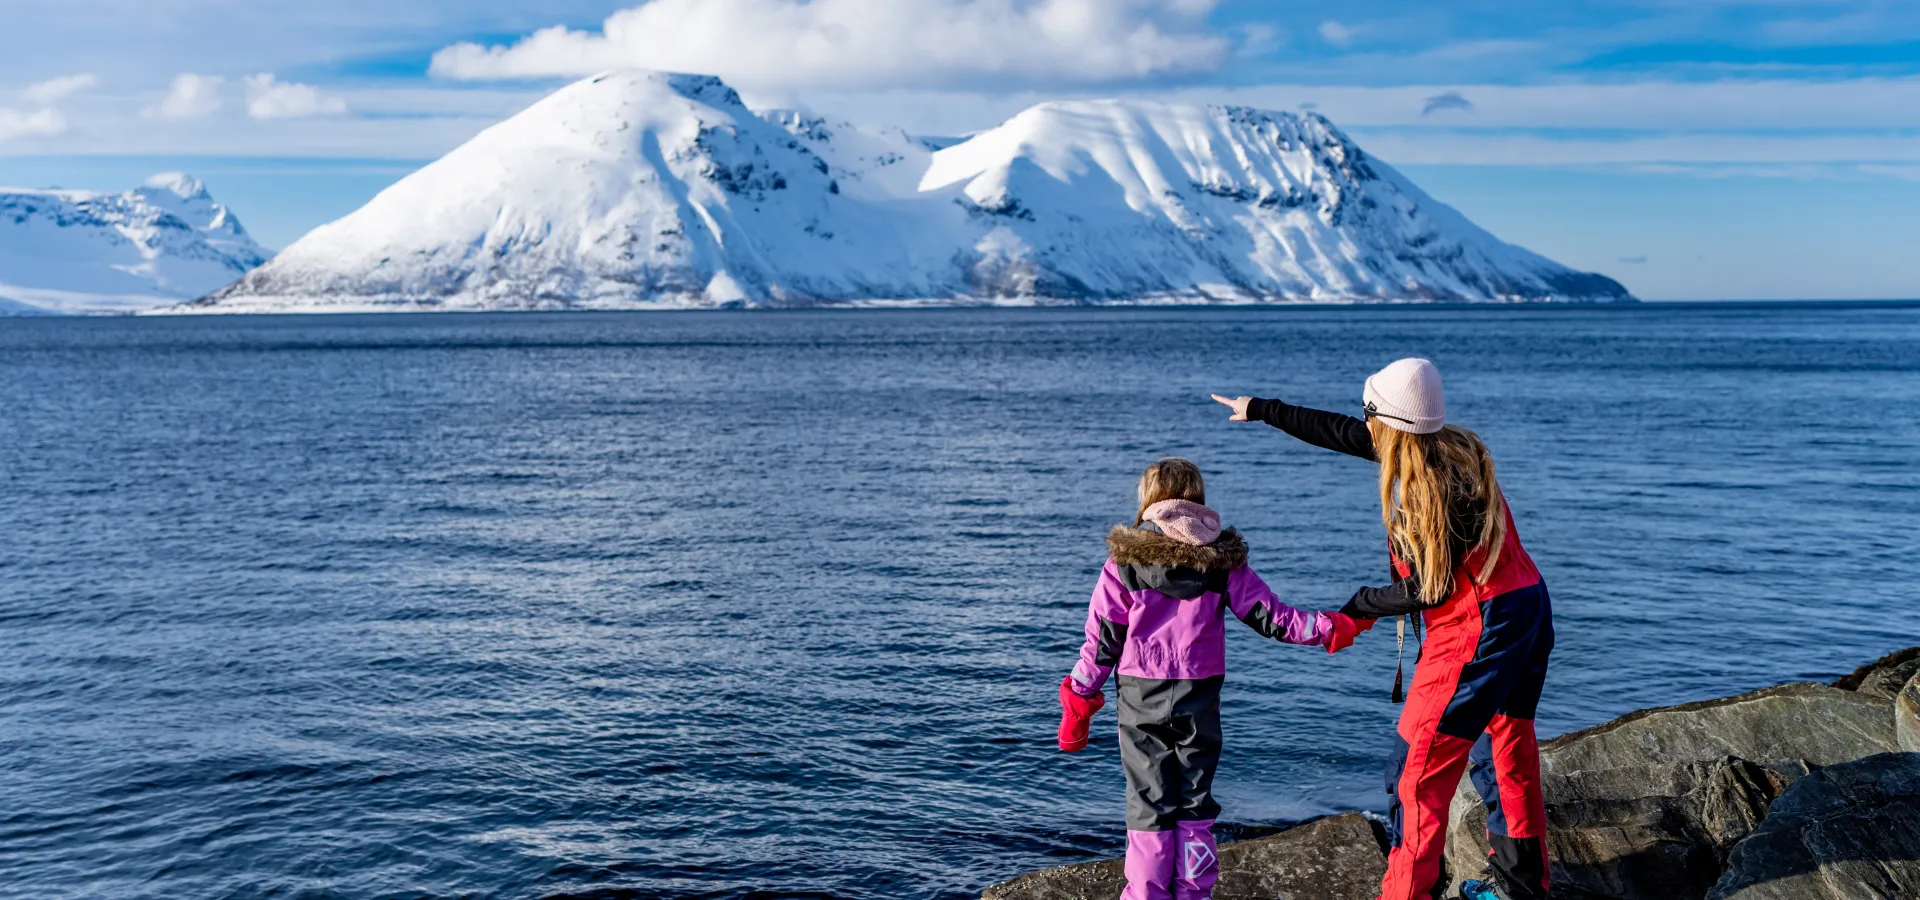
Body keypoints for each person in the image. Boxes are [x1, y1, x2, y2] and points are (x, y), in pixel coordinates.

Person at [1211, 358, 1555, 900]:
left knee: (1414, 774)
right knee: (1506, 747)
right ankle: (1521, 890)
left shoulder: (1432, 490)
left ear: (1387, 421)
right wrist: (1261, 409)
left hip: (1478, 627)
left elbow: (1431, 588)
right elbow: (1341, 432)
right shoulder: (1448, 446)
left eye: (1368, 413)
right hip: (1525, 605)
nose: (1362, 423)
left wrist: (1359, 606)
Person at [1056, 457, 1360, 900]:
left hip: (1141, 696)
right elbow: (1272, 616)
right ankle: (1194, 893)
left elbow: (1102, 642)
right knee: (1195, 800)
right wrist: (1329, 628)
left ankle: (1145, 893)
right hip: (1199, 695)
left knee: (1149, 802)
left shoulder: (1124, 565)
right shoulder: (1222, 564)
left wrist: (1080, 696)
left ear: (1150, 500)